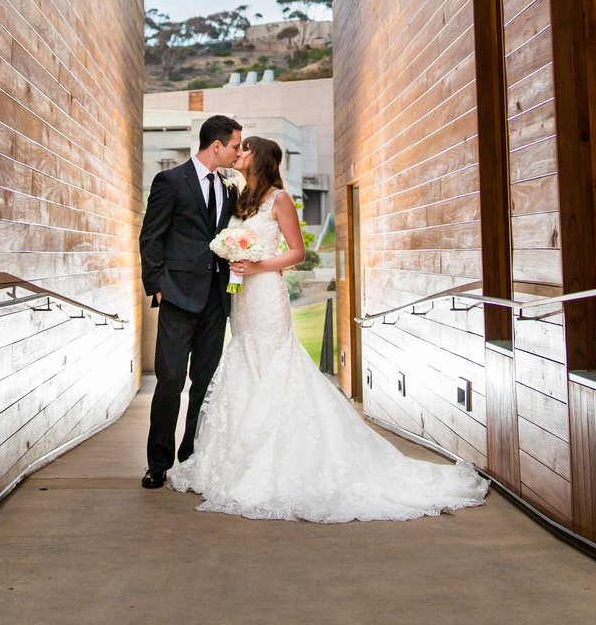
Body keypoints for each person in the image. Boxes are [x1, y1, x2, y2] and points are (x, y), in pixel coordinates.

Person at [168, 136, 488, 521]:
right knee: (246, 361)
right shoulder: (239, 197)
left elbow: (297, 251)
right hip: (242, 298)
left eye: (246, 148)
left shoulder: (278, 199)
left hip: (265, 294)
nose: (239, 153)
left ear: (260, 157)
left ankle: (280, 460)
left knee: (275, 364)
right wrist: (235, 257)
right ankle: (237, 457)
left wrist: (258, 265)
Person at [138, 114, 241, 488]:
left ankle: (191, 456)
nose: (237, 153)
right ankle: (158, 463)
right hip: (178, 296)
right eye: (234, 146)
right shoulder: (170, 181)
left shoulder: (229, 189)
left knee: (205, 381)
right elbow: (151, 236)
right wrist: (157, 285)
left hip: (217, 298)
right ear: (217, 145)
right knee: (170, 379)